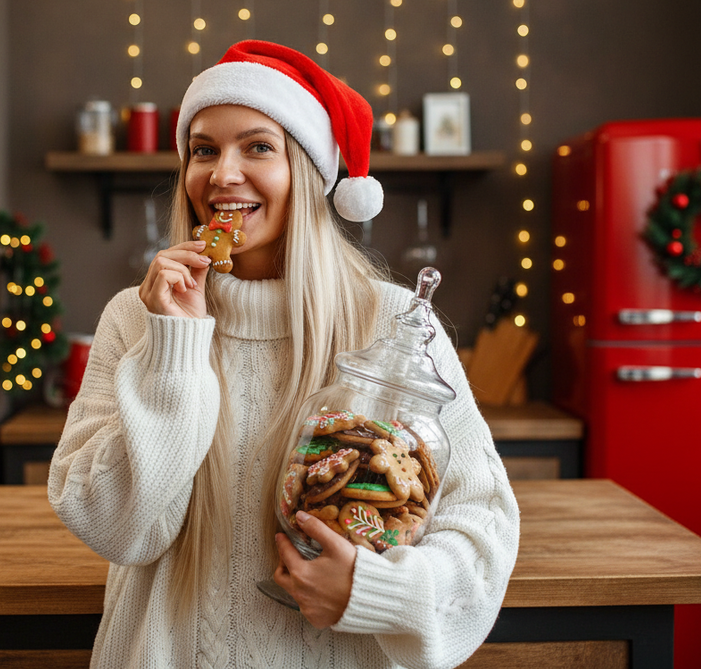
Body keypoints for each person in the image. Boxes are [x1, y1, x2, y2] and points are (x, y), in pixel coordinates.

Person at [49, 40, 519, 669]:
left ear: (309, 170)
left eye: (258, 147)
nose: (222, 175)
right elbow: (114, 526)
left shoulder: (393, 322)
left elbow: (482, 525)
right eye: (204, 150)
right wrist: (175, 350)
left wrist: (375, 591)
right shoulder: (137, 317)